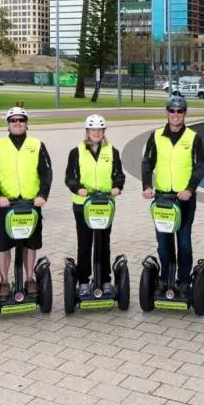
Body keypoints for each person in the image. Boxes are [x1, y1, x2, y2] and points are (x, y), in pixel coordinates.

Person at [140, 96, 204, 298]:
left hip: (184, 198)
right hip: (162, 198)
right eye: (172, 111)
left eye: (179, 111)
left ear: (185, 114)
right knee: (163, 242)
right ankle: (165, 278)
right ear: (166, 112)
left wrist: (190, 189)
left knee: (184, 241)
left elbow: (199, 167)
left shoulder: (193, 138)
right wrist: (147, 186)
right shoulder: (157, 135)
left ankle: (184, 281)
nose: (175, 115)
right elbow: (147, 162)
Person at [0, 107, 52, 299]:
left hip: (31, 204)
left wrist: (42, 195)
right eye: (13, 120)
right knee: (3, 245)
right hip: (5, 205)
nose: (17, 123)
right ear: (8, 124)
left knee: (31, 244)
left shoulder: (37, 145)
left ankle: (30, 278)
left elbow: (46, 172)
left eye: (21, 120)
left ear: (26, 123)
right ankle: (4, 281)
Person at [64, 114, 125, 297]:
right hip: (83, 204)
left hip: (105, 204)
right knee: (85, 243)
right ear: (87, 131)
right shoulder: (76, 152)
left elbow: (119, 174)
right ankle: (83, 280)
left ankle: (105, 280)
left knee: (103, 242)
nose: (96, 133)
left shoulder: (112, 151)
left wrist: (117, 187)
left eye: (99, 129)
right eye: (93, 129)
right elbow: (70, 177)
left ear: (104, 131)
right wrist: (78, 188)